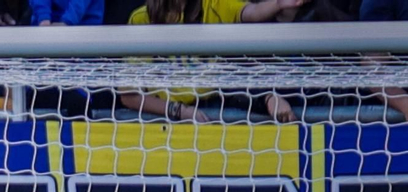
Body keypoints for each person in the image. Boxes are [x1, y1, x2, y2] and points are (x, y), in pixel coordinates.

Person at [120, 0, 310, 123]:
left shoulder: (214, 5)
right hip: (166, 117)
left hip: (219, 108)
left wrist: (278, 4)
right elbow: (129, 95)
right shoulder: (141, 19)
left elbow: (252, 12)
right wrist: (178, 111)